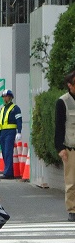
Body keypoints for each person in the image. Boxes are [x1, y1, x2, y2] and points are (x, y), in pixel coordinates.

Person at [54, 70, 75, 222]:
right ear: (70, 85)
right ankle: (72, 210)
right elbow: (59, 126)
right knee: (71, 181)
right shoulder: (63, 102)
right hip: (70, 147)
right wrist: (60, 148)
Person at [0, 89, 22, 179]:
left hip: (10, 132)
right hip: (3, 132)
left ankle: (8, 173)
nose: (5, 98)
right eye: (4, 97)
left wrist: (19, 131)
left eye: (6, 97)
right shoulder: (3, 108)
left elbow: (19, 120)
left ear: (10, 97)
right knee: (4, 152)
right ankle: (8, 171)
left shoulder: (15, 108)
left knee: (8, 151)